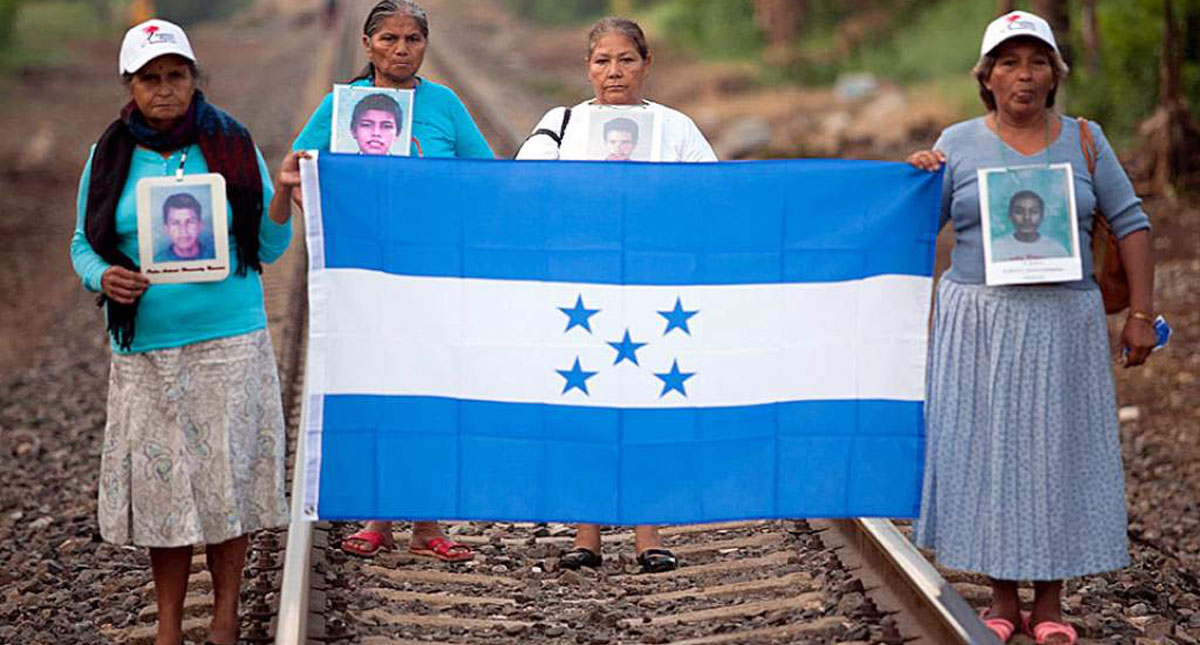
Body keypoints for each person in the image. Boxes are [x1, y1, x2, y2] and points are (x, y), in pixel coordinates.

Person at [906, 11, 1156, 645]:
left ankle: (1049, 605)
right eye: (1009, 63)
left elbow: (1131, 224)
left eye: (1037, 62)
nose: (1024, 75)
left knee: (1056, 455)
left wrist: (1141, 315)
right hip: (979, 321)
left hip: (1062, 322)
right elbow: (913, 229)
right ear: (986, 78)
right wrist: (915, 178)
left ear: (1054, 75)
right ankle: (998, 598)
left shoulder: (1084, 139)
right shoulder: (957, 142)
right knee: (990, 455)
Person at [69, 19, 306, 645]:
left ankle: (225, 614)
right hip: (145, 349)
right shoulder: (109, 155)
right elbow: (80, 244)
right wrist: (103, 277)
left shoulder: (231, 144)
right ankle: (169, 629)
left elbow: (270, 246)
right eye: (151, 79)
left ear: (195, 79)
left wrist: (281, 196)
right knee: (162, 491)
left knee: (229, 482)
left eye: (177, 76)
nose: (166, 89)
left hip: (229, 341)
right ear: (131, 85)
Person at [516, 17, 717, 574]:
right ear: (587, 67)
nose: (614, 72)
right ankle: (587, 536)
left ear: (646, 64)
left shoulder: (676, 129)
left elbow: (713, 198)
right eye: (602, 60)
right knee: (585, 405)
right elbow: (521, 192)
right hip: (581, 294)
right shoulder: (560, 125)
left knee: (648, 404)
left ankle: (648, 536)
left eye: (626, 59)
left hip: (653, 291)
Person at [293, 0, 493, 562]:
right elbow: (299, 165)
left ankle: (428, 525)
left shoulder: (444, 106)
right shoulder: (342, 107)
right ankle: (380, 514)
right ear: (367, 44)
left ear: (425, 46)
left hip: (432, 274)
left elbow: (487, 176)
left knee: (428, 392)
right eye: (389, 39)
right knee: (379, 391)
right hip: (367, 276)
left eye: (412, 40)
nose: (401, 50)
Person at [991, 189, 1070, 261]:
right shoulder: (996, 249)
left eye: (1034, 212)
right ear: (1010, 215)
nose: (1027, 217)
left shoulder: (1057, 251)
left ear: (1042, 216)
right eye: (1019, 212)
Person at [156, 192, 210, 262]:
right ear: (166, 229)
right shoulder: (156, 263)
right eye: (175, 223)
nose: (183, 231)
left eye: (190, 222)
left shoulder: (216, 257)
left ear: (200, 225)